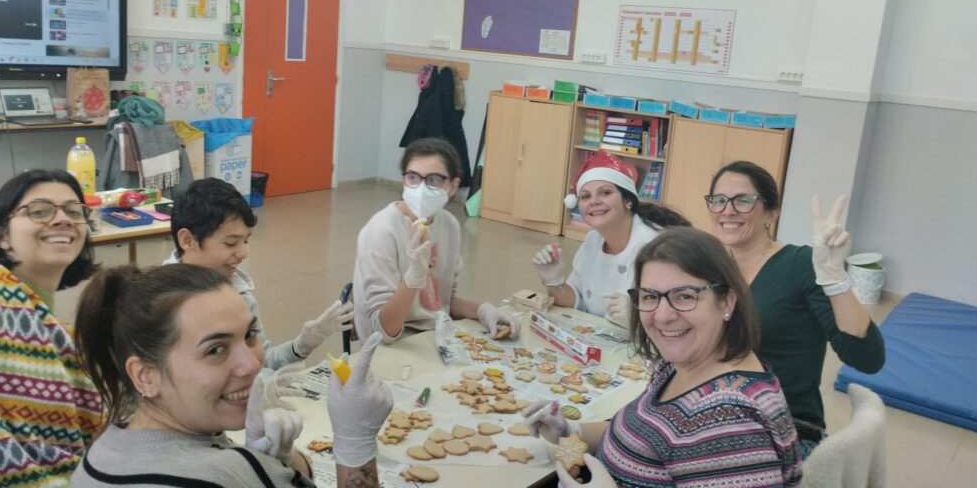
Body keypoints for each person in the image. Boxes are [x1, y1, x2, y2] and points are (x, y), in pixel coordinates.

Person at [525, 227, 801, 487]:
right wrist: (571, 430)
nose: (663, 315)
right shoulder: (681, 365)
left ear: (726, 301)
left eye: (685, 296)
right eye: (649, 297)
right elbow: (640, 433)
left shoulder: (728, 419)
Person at [71, 264, 393, 487]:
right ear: (145, 376)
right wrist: (355, 444)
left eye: (250, 335)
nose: (251, 365)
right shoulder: (229, 475)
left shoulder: (96, 456)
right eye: (215, 350)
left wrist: (277, 463)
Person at [706, 160, 885, 457]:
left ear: (771, 214)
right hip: (718, 413)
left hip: (786, 429)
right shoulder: (713, 269)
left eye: (743, 201)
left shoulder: (800, 264)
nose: (728, 210)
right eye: (719, 200)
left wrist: (834, 277)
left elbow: (867, 358)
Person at [0, 169, 102, 484]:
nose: (63, 219)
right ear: (2, 237)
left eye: (74, 211)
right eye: (40, 211)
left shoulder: (67, 337)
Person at [165, 177, 353, 369]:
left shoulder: (241, 297)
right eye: (230, 243)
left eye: (245, 241)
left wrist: (301, 346)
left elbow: (262, 362)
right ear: (188, 240)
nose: (243, 253)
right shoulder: (158, 303)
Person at [353, 137, 518, 343]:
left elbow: (440, 302)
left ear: (452, 186)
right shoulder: (381, 231)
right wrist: (413, 278)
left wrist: (482, 310)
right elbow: (382, 330)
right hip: (390, 343)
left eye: (434, 180)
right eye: (413, 177)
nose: (421, 189)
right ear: (403, 180)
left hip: (435, 334)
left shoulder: (449, 225)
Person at [531, 151, 689, 324]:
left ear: (628, 200)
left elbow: (681, 317)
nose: (594, 201)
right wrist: (554, 281)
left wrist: (640, 316)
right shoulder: (593, 240)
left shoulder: (656, 247)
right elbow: (577, 301)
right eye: (585, 196)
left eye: (605, 193)